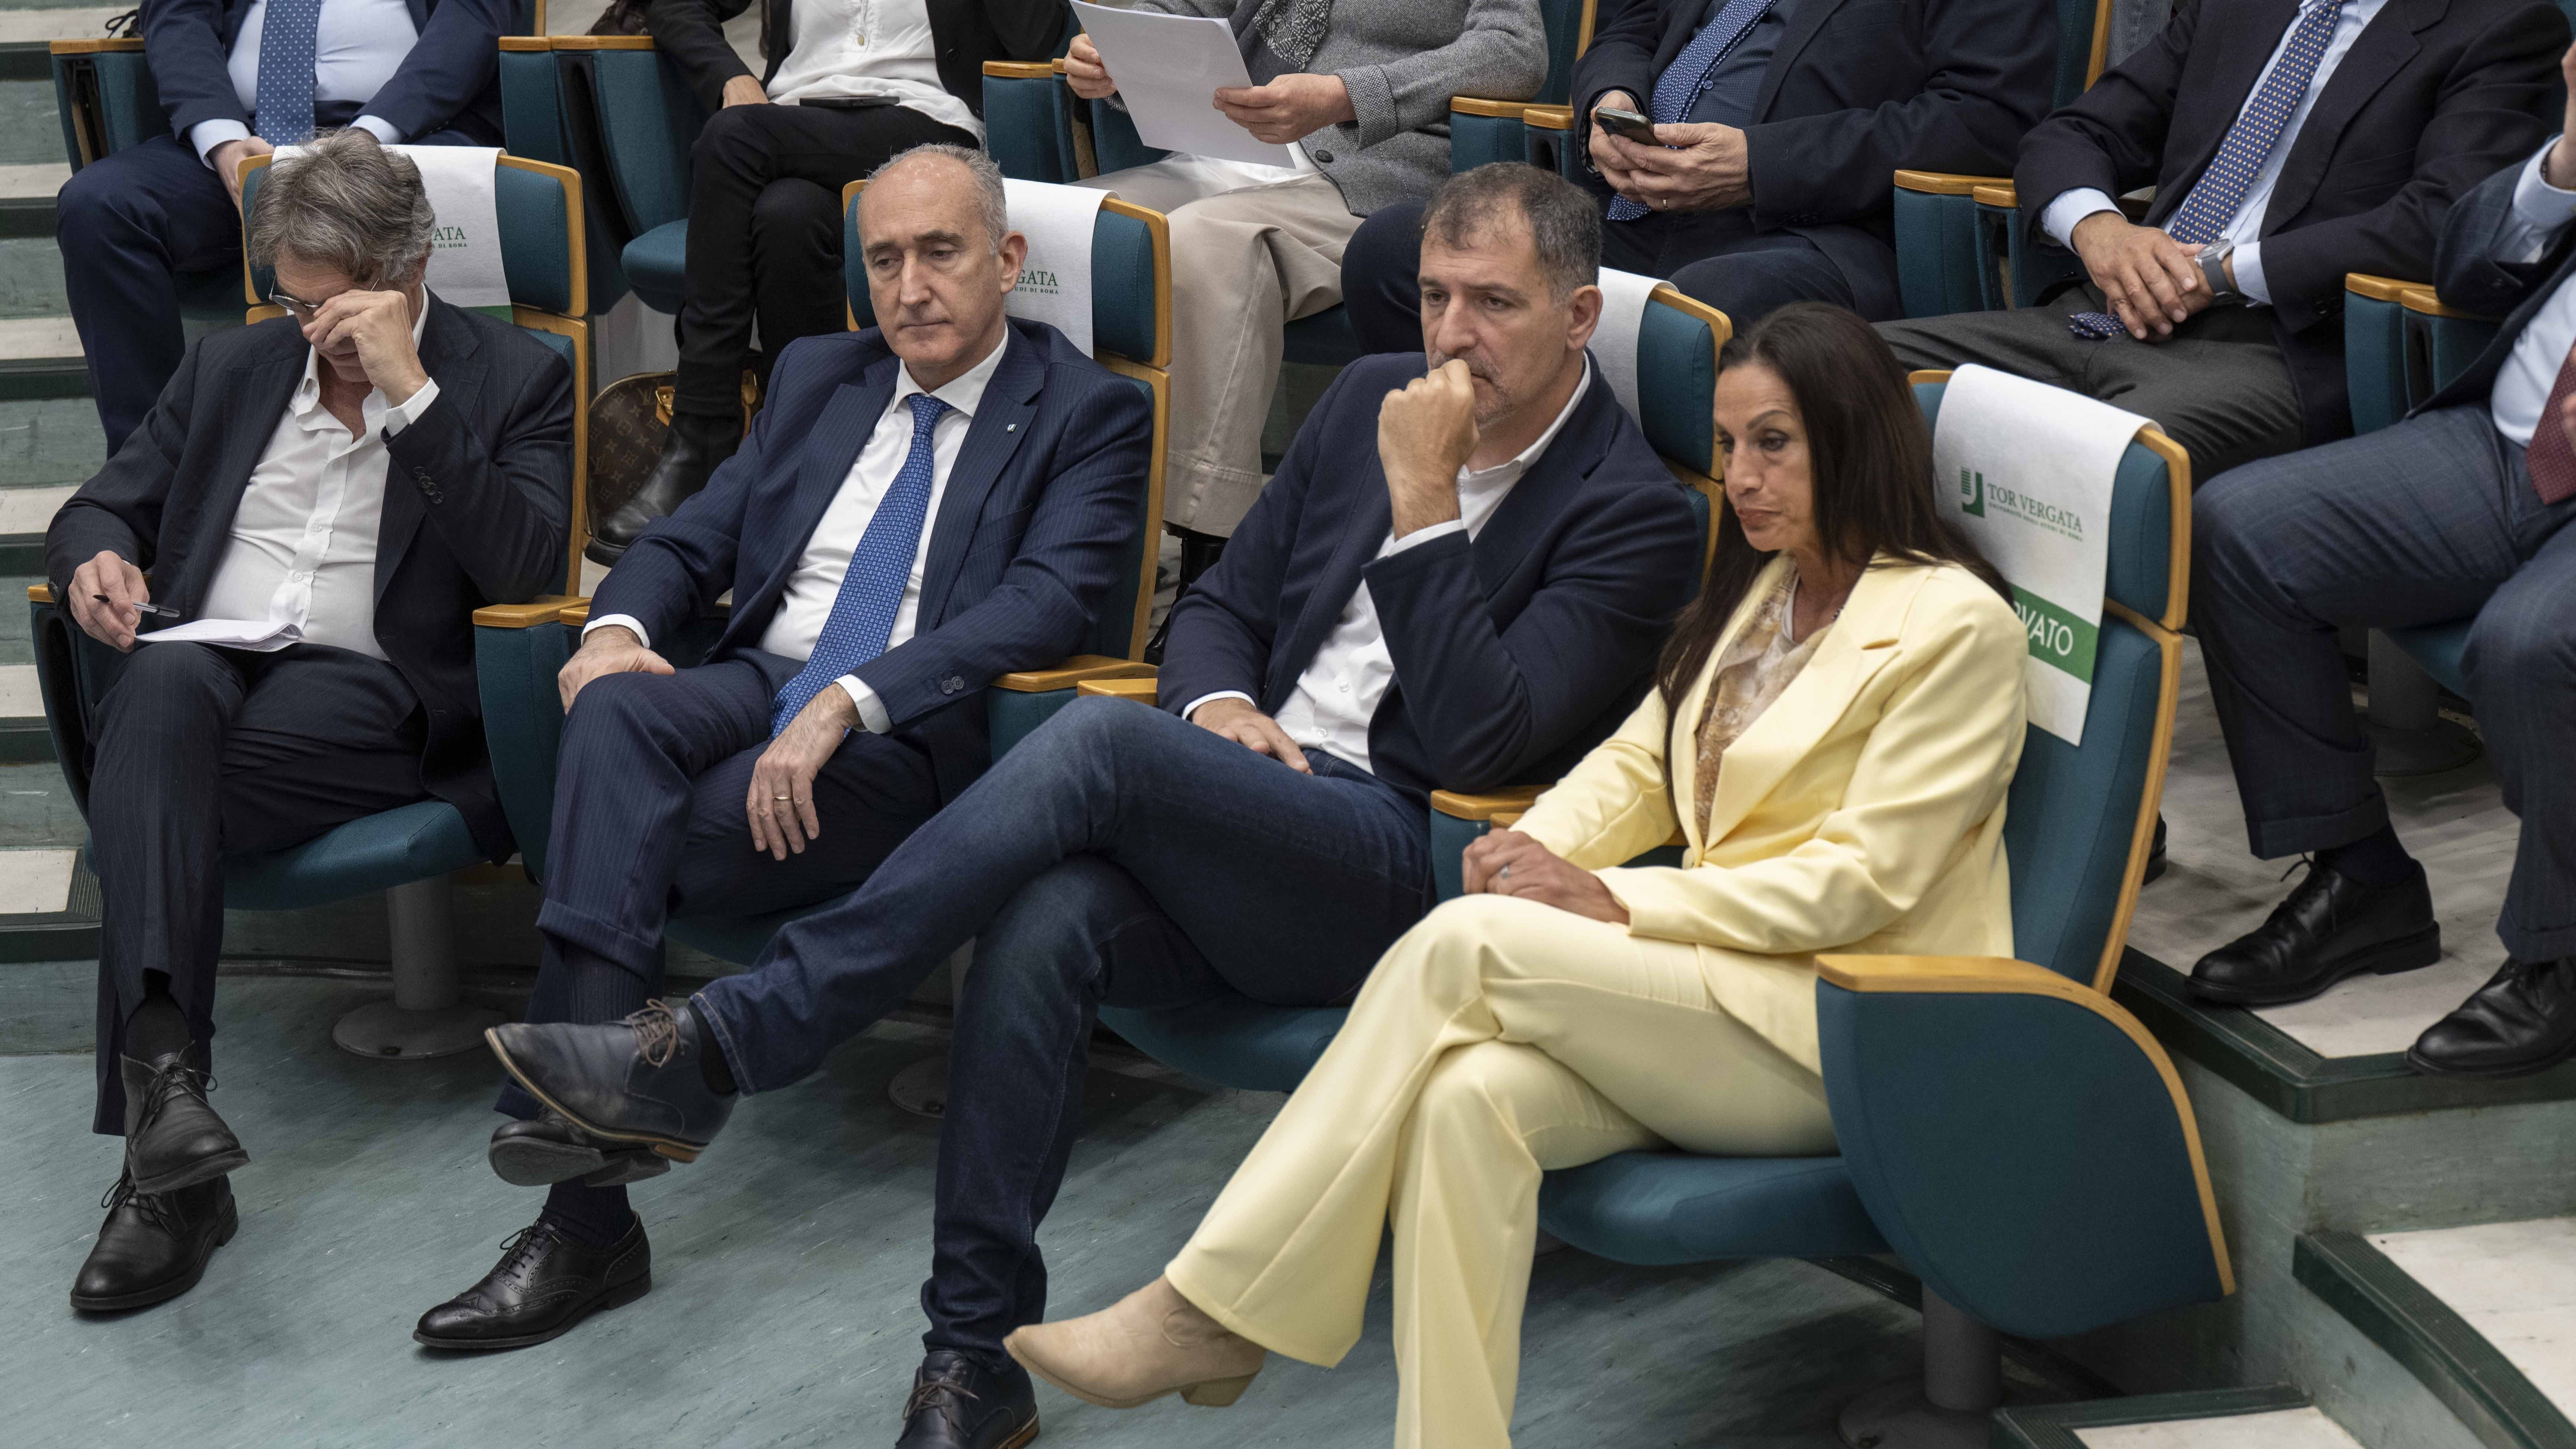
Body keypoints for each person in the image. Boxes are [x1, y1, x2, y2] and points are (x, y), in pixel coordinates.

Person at [470, 164, 1702, 1449]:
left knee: (1101, 738)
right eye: (1436, 297)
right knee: (1048, 914)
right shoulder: (1358, 404)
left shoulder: (1629, 514)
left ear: (1576, 317)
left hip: (1405, 865)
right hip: (1242, 807)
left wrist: (1422, 506)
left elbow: (1477, 736)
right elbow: (1221, 608)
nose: (1450, 336)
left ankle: (731, 1039)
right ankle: (971, 1356)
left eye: (1492, 303)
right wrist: (1216, 706)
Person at [999, 302, 2027, 1449]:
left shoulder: (1954, 626)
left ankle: (1210, 1308)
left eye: (1773, 441)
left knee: (1462, 941)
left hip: (1853, 1023)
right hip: (1722, 991)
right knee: (1463, 1101)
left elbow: (1860, 882)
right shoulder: (1764, 590)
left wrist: (1611, 894)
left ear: (1856, 436)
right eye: (1729, 444)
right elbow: (1641, 760)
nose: (1740, 475)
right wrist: (1533, 846)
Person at [412, 145, 1154, 1386]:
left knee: (638, 825)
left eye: (940, 252)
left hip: (910, 740)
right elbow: (696, 530)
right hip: (757, 675)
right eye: (884, 260)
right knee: (609, 718)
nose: (910, 287)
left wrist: (852, 701)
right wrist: (615, 628)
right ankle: (595, 1136)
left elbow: (1043, 603)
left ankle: (581, 1214)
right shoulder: (823, 372)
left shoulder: (1085, 411)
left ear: (1008, 261)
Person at [47, 131, 574, 1313]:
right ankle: (168, 1103)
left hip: (372, 688)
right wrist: (97, 560)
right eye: (291, 302)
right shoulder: (232, 368)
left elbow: (528, 564)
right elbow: (98, 502)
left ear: (409, 271)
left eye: (332, 308)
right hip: (202, 665)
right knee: (165, 694)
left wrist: (409, 392)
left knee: (147, 775)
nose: (309, 331)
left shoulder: (513, 379)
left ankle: (158, 1173)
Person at [2184, 51, 2576, 1079]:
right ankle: (2359, 880)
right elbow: (2466, 270)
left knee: (2530, 643)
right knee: (2239, 529)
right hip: (2504, 443)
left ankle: (2557, 958)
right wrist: (2567, 160)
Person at [1876, 0, 2567, 482]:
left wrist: (2221, 272)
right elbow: (2073, 134)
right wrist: (2102, 231)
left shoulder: (2502, 26)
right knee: (1834, 377)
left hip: (2273, 350)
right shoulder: (2239, 6)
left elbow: (2438, 222)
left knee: (2075, 458)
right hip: (2098, 314)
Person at [591, 0, 1070, 562]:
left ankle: (702, 436)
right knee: (785, 215)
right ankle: (798, 468)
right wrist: (730, 75)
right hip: (790, 131)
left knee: (732, 137)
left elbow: (1037, 34)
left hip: (926, 122)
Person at [1059, 0, 1545, 545]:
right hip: (1225, 149)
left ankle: (1209, 550)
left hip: (1369, 168)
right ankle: (1054, 508)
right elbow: (1179, 11)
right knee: (1065, 230)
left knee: (1205, 242)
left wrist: (1349, 96)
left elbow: (1514, 49)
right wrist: (1112, 56)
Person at [1341, 0, 2055, 350]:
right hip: (1619, 208)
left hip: (1800, 233)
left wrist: (1758, 166)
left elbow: (1986, 122)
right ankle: (1457, 492)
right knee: (1398, 250)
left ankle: (1601, 536)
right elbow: (1631, 27)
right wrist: (1610, 103)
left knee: (1698, 309)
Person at [56, 0, 512, 457]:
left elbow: (471, 20)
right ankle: (150, 470)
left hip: (405, 135)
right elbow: (179, 15)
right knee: (100, 206)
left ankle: (423, 447)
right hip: (244, 143)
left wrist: (367, 136)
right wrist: (224, 143)